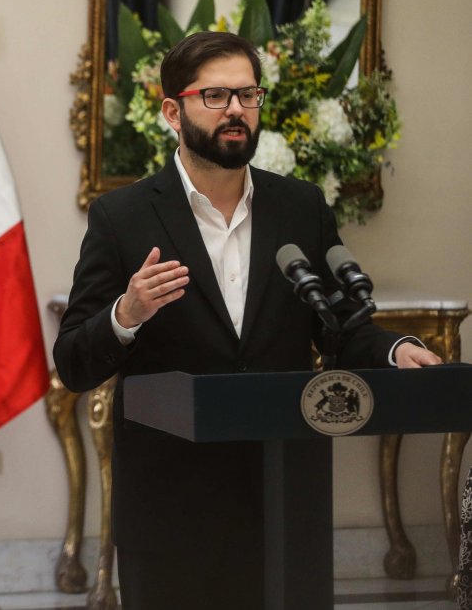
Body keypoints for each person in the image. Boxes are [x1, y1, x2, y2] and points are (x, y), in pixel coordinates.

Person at [53, 31, 440, 609]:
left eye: (248, 95)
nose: (236, 109)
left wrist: (393, 350)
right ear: (172, 112)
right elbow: (73, 363)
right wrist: (125, 314)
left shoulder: (300, 206)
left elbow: (339, 326)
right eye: (215, 95)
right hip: (169, 510)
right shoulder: (123, 216)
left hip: (283, 499)